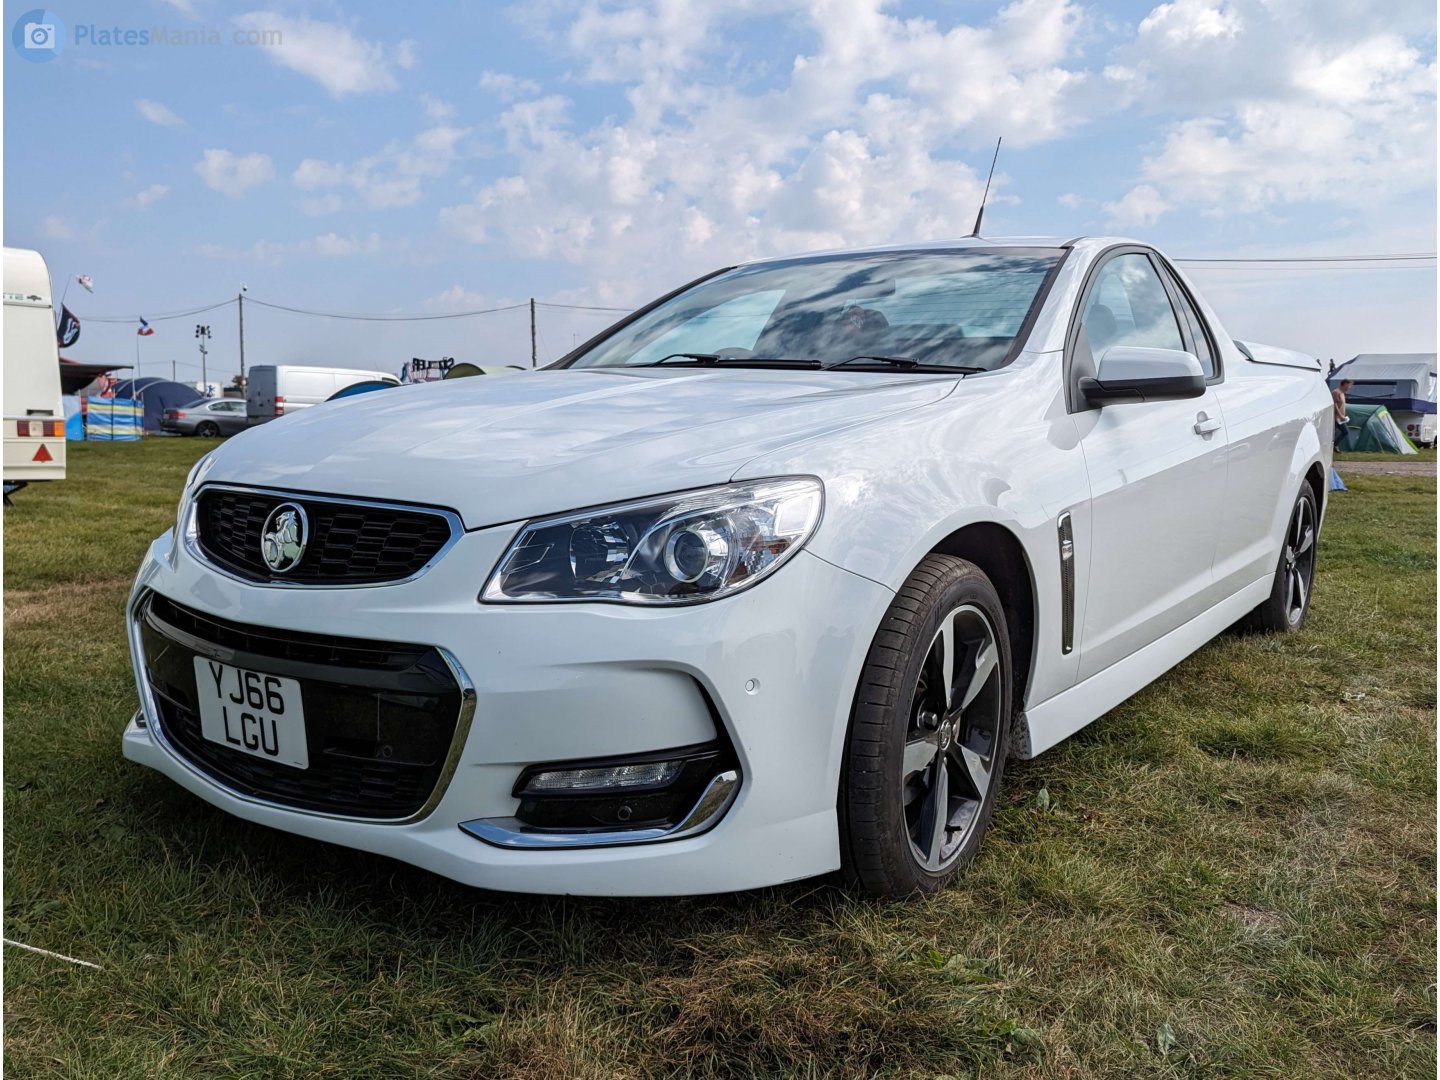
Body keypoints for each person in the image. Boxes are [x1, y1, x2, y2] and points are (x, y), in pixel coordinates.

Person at [1332, 378, 1353, 450]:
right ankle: (1334, 445)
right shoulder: (1336, 392)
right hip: (1335, 418)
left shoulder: (1342, 393)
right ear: (1344, 384)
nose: (1349, 387)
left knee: (1344, 432)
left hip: (1340, 418)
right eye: (1349, 385)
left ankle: (1334, 445)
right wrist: (1340, 415)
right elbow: (1334, 404)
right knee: (1344, 432)